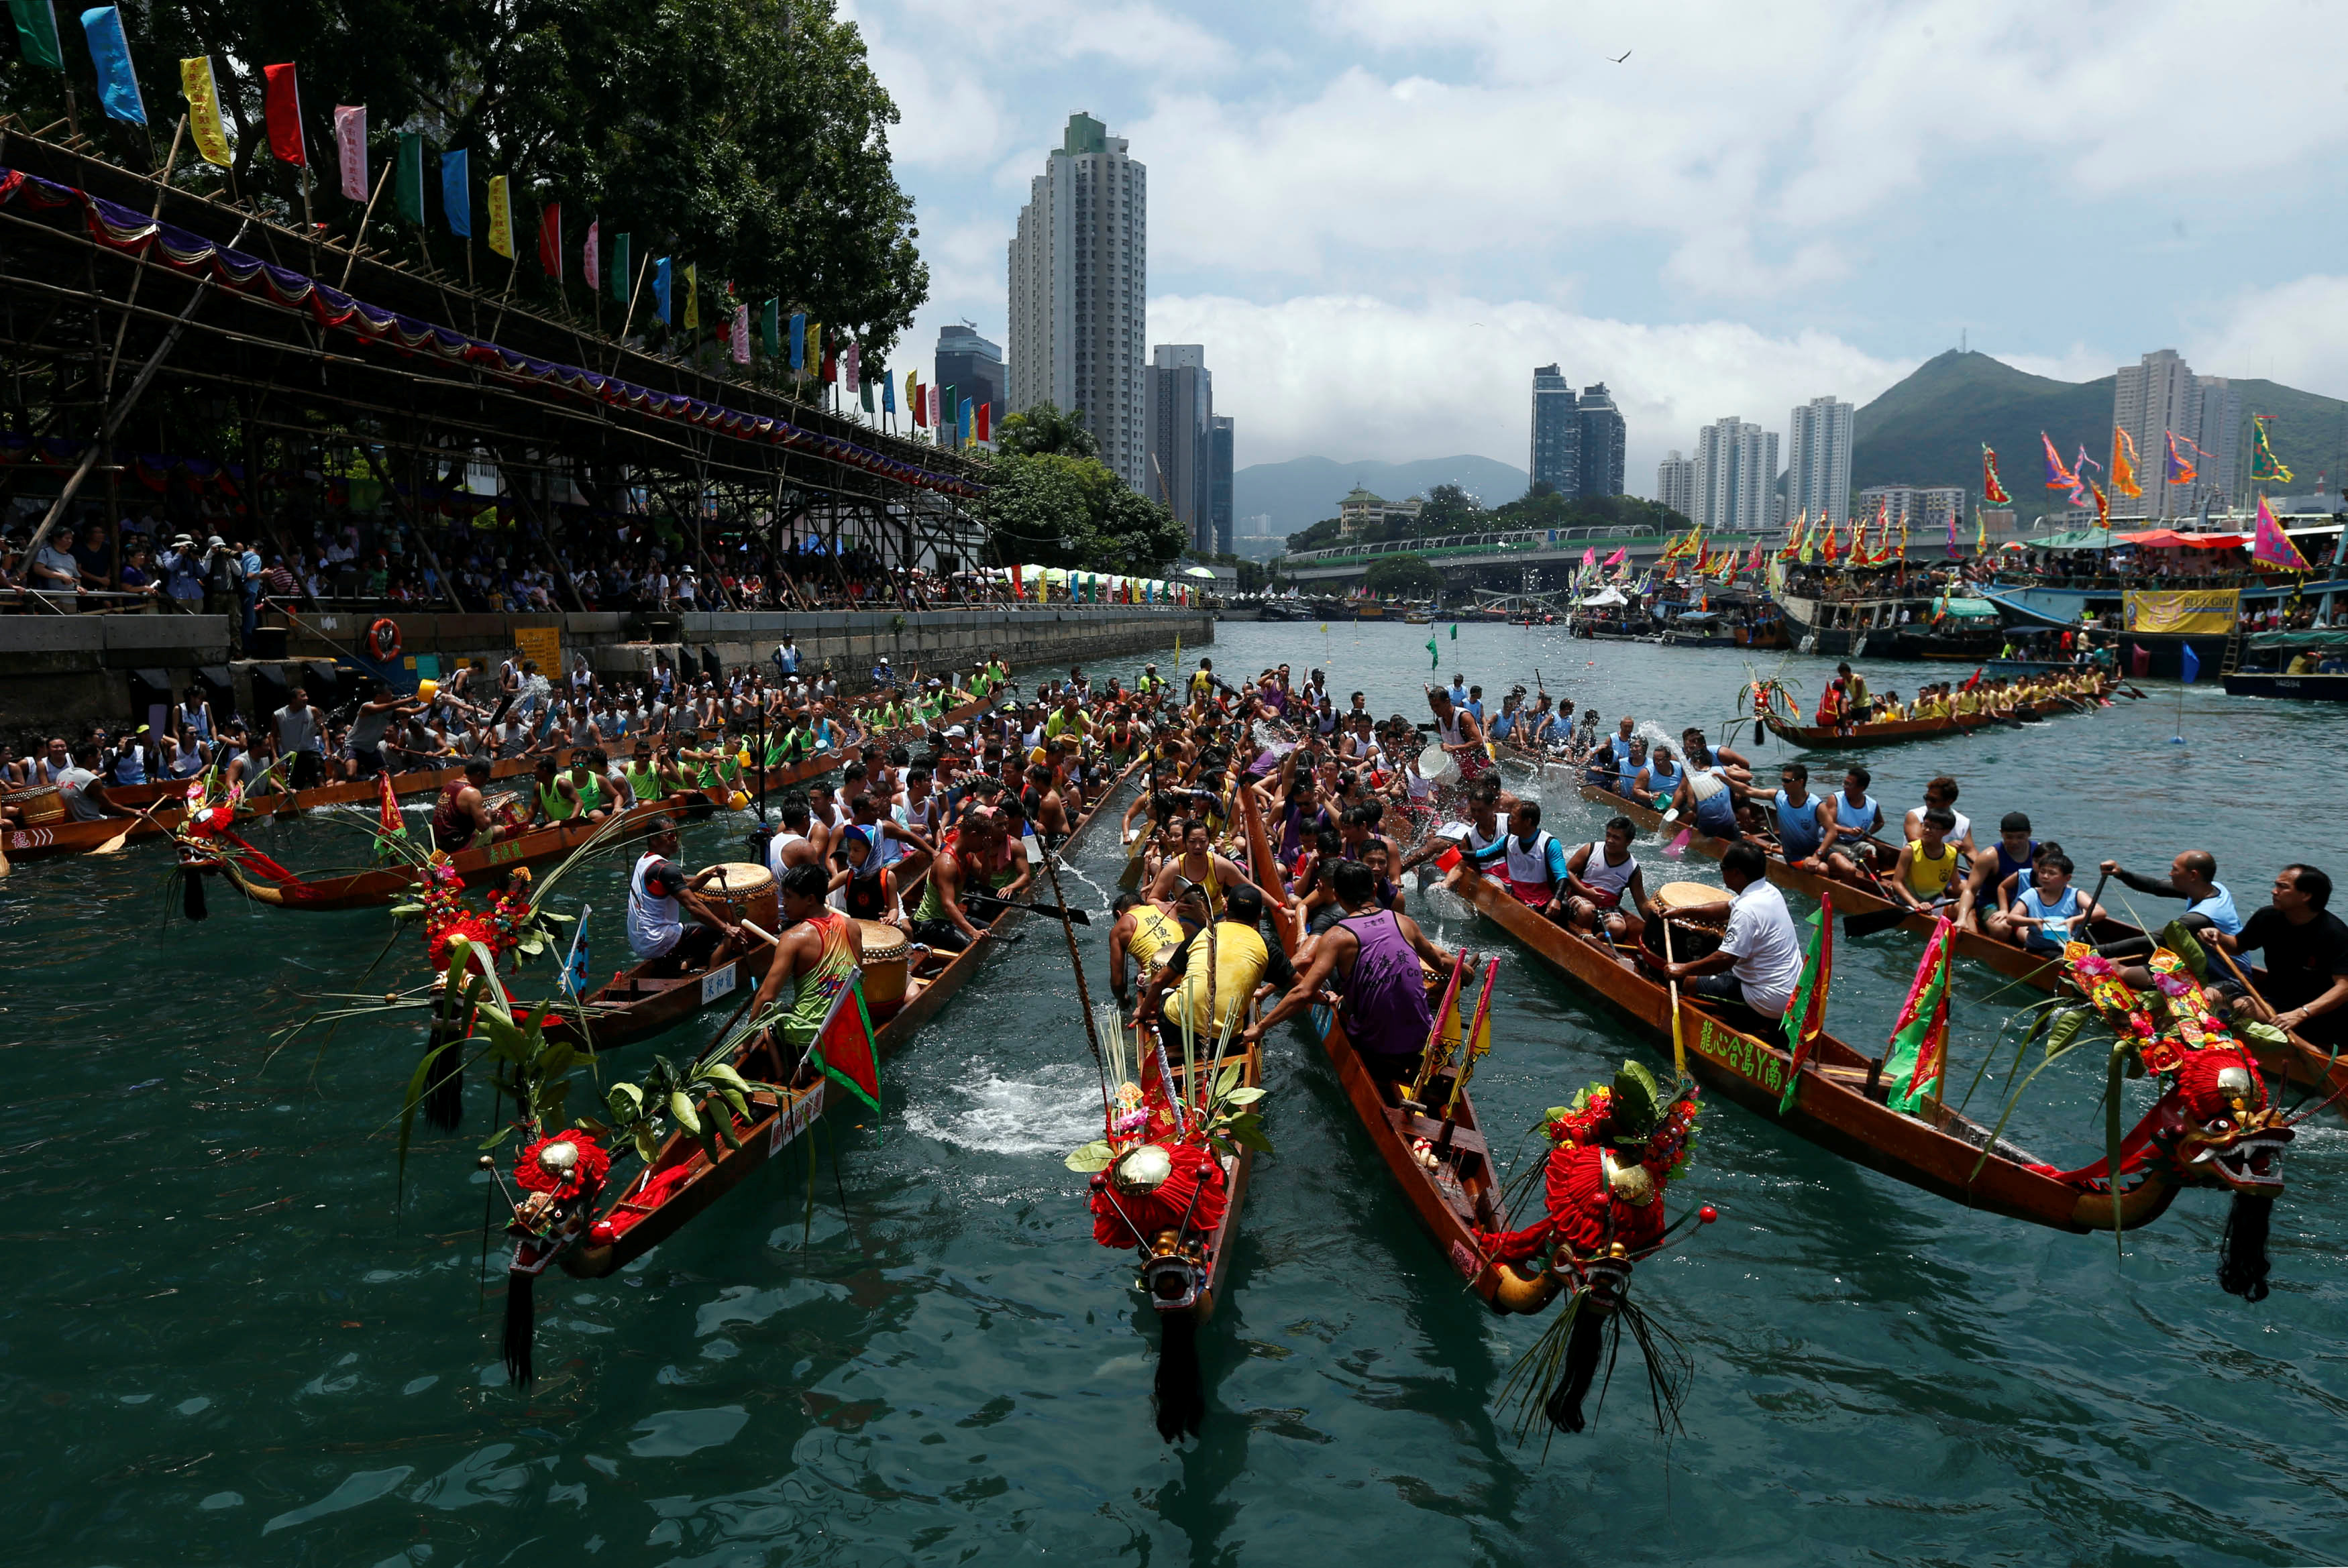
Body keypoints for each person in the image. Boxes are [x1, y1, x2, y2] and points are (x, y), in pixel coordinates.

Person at [1248, 860, 1454, 1079]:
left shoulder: (1335, 937)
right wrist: (1467, 974)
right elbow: (1441, 960)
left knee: (1340, 994)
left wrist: (1261, 1027)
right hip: (1422, 1039)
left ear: (1336, 895)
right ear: (1374, 889)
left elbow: (1304, 992)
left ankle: (1339, 1003)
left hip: (1374, 1045)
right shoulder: (1405, 922)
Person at [1658, 842, 1804, 1027]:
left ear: (1737, 873)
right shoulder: (1769, 892)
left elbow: (1724, 960)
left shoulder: (1746, 910)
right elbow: (1723, 910)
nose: (1721, 871)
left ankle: (1701, 1027)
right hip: (1794, 995)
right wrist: (1680, 911)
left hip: (1768, 1000)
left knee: (1690, 982)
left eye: (1723, 867)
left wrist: (1683, 969)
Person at [2204, 864, 2348, 1047]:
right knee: (2218, 998)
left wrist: (2301, 1013)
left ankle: (2315, 1053)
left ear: (2306, 895)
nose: (2274, 891)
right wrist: (2217, 935)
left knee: (2242, 1006)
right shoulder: (2268, 917)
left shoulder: (2334, 933)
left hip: (2321, 1012)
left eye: (2283, 887)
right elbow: (2237, 946)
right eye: (2276, 885)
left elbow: (2344, 988)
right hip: (2275, 1002)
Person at [745, 862, 866, 1078]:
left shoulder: (793, 938)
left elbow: (766, 995)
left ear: (810, 899)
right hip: (842, 1031)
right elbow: (857, 980)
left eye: (789, 897)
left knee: (770, 1015)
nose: (784, 904)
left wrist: (745, 1045)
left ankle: (785, 1076)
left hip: (805, 1042)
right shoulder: (853, 927)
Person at [1144, 885, 1298, 1041]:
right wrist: (1261, 1027)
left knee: (1167, 993)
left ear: (1225, 910)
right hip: (1224, 1039)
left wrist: (1142, 1011)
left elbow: (1158, 981)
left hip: (1175, 1029)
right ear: (1259, 916)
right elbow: (1303, 990)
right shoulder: (1268, 949)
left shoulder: (1203, 933)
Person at [2097, 850, 2243, 937]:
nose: (2170, 873)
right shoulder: (2213, 887)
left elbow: (2157, 939)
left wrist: (2096, 951)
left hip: (2224, 976)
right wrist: (2121, 873)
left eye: (2175, 870)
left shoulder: (2198, 918)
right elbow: (2155, 886)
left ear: (2193, 876)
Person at [1562, 816, 1648, 944]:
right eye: (1608, 835)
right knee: (1587, 911)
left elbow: (1642, 903)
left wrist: (1656, 924)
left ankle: (1597, 941)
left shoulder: (1633, 868)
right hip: (1581, 898)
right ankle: (1580, 935)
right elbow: (1567, 871)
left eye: (1616, 838)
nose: (1609, 840)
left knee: (1618, 929)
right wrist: (1586, 892)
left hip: (1608, 908)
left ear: (1628, 842)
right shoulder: (1591, 849)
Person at [2005, 850, 2101, 952]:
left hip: (2073, 948)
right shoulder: (2031, 894)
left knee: (2112, 950)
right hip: (2041, 948)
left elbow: (2100, 912)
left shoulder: (2076, 894)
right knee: (2065, 961)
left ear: (2067, 878)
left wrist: (2074, 921)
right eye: (2042, 872)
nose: (2045, 876)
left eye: (2052, 873)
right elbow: (2011, 919)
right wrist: (2035, 922)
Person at [1960, 812, 2039, 934]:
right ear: (2001, 833)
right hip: (1993, 904)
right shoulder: (1990, 856)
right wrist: (1962, 918)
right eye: (2009, 837)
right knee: (2002, 928)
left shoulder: (2041, 853)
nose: (2015, 842)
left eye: (2020, 837)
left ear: (2030, 833)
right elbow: (1970, 890)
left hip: (2026, 905)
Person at [1108, 889, 1187, 1008]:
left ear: (1119, 914)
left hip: (1160, 982)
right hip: (1190, 970)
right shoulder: (1166, 908)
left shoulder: (1119, 928)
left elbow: (1117, 983)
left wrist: (1122, 1000)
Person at [1890, 807, 1962, 912]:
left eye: (1933, 827)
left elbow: (1957, 885)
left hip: (1935, 900)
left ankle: (1962, 924)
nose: (1927, 830)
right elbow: (1897, 883)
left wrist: (1973, 892)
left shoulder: (1952, 853)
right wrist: (1917, 905)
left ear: (1946, 832)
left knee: (1963, 908)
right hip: (1908, 900)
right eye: (1925, 825)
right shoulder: (1910, 850)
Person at [431, 756, 502, 852]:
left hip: (438, 843)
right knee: (500, 831)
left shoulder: (449, 785)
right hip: (456, 845)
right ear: (479, 775)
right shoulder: (473, 793)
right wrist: (489, 814)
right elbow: (483, 827)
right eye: (487, 778)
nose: (486, 782)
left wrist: (484, 812)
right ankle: (486, 863)